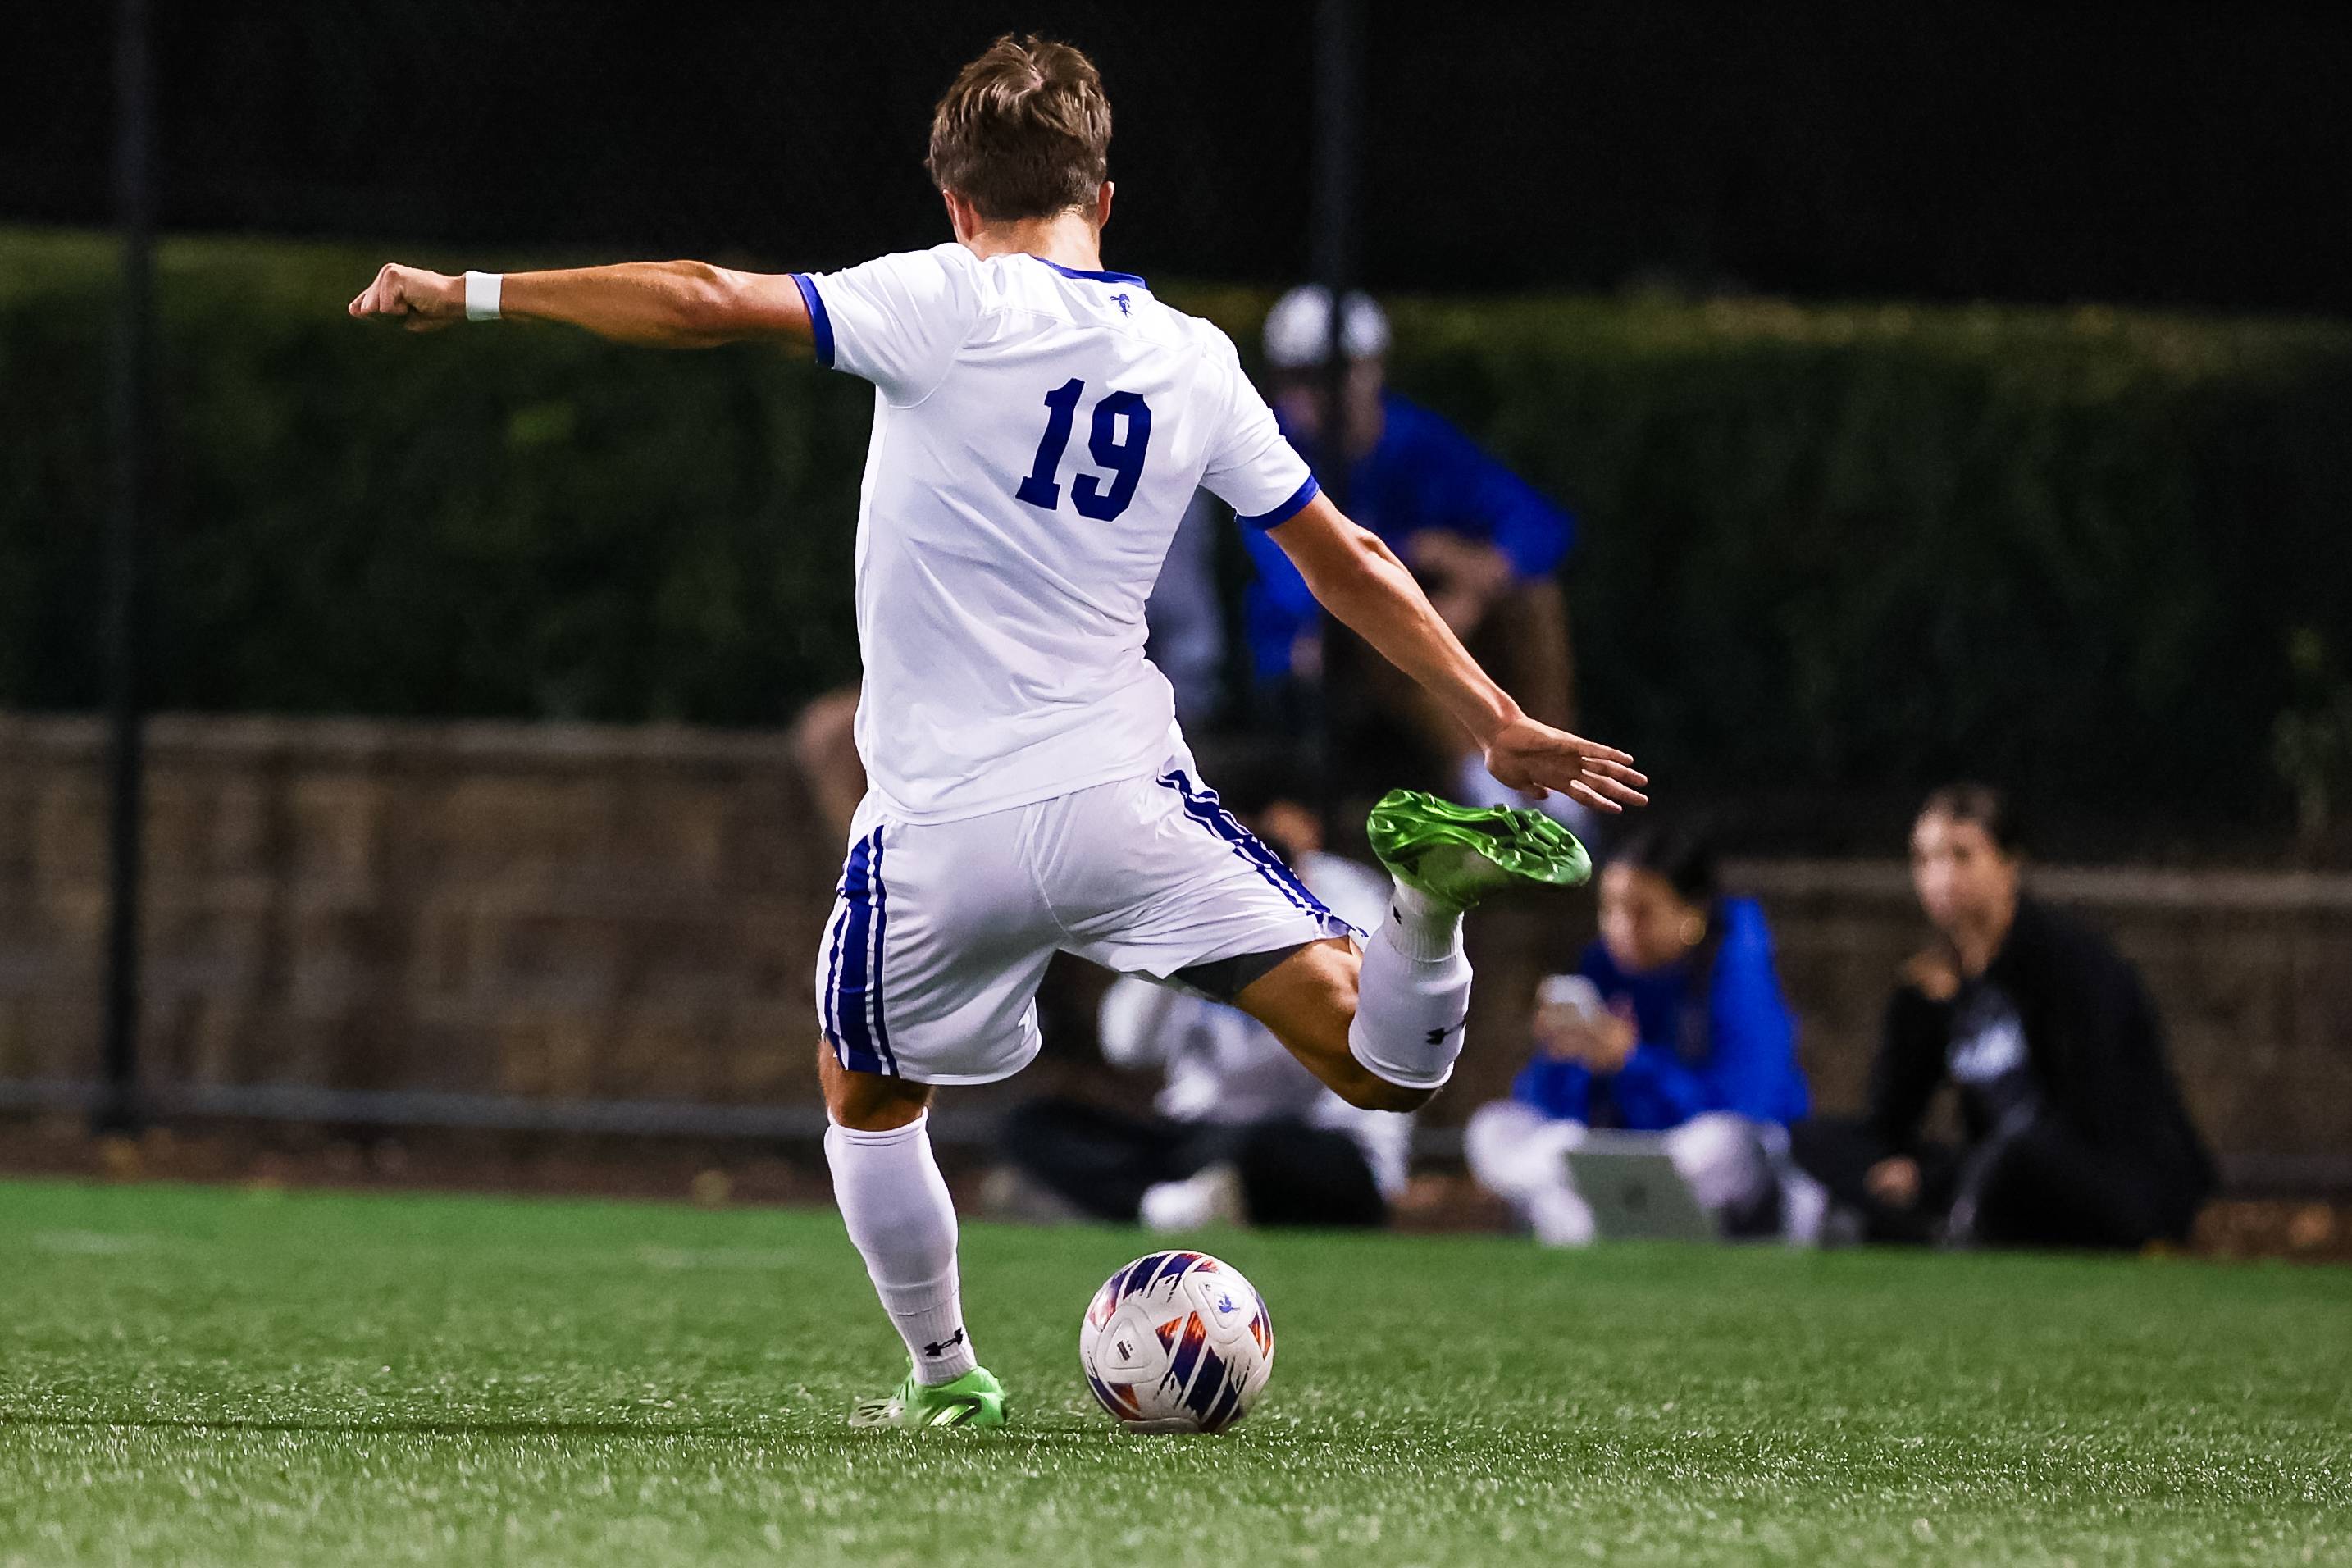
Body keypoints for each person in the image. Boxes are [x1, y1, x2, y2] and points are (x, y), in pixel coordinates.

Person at [350, 35, 1645, 1429]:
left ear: (958, 204)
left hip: (937, 830)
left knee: (863, 1087)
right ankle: (1427, 907)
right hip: (1124, 805)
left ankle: (943, 1371)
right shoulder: (1193, 359)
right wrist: (1495, 717)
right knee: (1384, 1067)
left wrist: (470, 291)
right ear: (1105, 193)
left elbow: (702, 298)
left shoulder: (940, 297)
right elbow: (1348, 557)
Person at [1789, 785, 2215, 1250]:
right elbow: (1888, 1120)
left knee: (2016, 1155)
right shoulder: (1934, 982)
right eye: (1925, 860)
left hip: (2101, 1172)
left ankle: (1937, 1229)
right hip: (1990, 1173)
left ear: (2009, 865)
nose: (1941, 877)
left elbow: (2084, 1114)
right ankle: (1933, 1229)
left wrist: (1936, 1179)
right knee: (1813, 1141)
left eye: (1961, 856)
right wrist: (1919, 1015)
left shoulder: (2072, 964)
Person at [1244, 287, 1584, 820]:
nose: (1319, 393)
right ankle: (1485, 786)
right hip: (1321, 654)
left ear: (1373, 371)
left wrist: (1481, 577)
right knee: (1386, 628)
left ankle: (1551, 772)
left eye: (1339, 372)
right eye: (1300, 377)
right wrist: (1424, 555)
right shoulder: (1268, 453)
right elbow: (1309, 588)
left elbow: (1536, 521)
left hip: (1438, 615)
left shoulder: (1412, 438)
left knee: (1533, 593)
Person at [996, 792, 1406, 1231]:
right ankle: (1176, 1208)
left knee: (1286, 1156)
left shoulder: (1353, 897)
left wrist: (1284, 898)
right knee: (1031, 1125)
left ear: (1304, 828)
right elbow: (1127, 1046)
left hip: (1311, 1135)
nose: (1249, 846)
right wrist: (1188, 922)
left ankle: (1133, 1202)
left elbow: (1366, 1029)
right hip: (1199, 1136)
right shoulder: (1191, 894)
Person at [1465, 826, 1812, 1244]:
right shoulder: (1601, 967)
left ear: (1692, 915)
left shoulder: (1737, 971)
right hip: (1612, 1154)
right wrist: (1566, 1059)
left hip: (1698, 1154)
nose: (1621, 928)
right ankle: (1598, 1219)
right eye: (1609, 909)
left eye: (1641, 912)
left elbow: (1746, 1105)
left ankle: (1596, 1222)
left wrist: (1631, 1063)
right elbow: (1548, 1109)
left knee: (1718, 1144)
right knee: (1494, 1128)